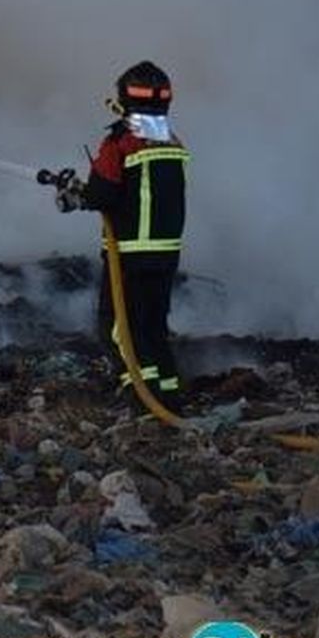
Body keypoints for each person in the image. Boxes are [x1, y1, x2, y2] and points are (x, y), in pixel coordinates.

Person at [53, 61, 189, 411]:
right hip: (166, 254)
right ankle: (169, 396)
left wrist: (75, 196)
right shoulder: (171, 140)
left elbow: (102, 195)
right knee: (153, 329)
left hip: (131, 254)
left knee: (119, 331)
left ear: (124, 99)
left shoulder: (121, 141)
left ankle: (142, 401)